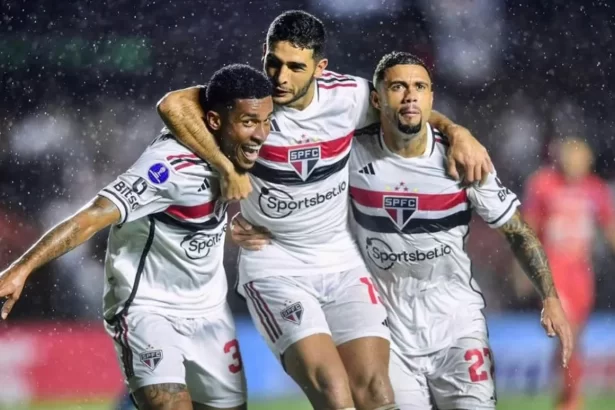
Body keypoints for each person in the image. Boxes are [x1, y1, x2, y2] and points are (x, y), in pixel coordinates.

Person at [157, 10, 493, 410]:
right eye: (273, 62)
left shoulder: (348, 96)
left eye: (296, 67)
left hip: (340, 260)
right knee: (336, 394)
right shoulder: (248, 98)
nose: (280, 77)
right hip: (275, 265)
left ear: (321, 67)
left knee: (378, 394)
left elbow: (407, 108)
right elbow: (173, 104)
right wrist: (227, 167)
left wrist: (458, 132)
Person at [231, 51, 575, 409]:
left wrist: (550, 297)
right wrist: (252, 221)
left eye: (419, 87)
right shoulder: (350, 153)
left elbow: (517, 231)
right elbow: (299, 190)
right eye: (398, 87)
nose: (410, 95)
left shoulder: (463, 160)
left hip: (456, 323)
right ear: (377, 99)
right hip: (388, 329)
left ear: (431, 98)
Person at [0, 64, 274, 410]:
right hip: (149, 308)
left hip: (209, 312)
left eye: (267, 121)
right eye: (249, 122)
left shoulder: (242, 147)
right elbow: (92, 216)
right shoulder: (170, 166)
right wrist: (22, 269)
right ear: (216, 121)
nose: (262, 133)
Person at [520, 138, 615, 410]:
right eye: (571, 158)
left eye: (581, 159)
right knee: (567, 332)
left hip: (581, 274)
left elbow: (609, 228)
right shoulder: (543, 185)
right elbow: (528, 230)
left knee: (575, 338)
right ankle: (572, 400)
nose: (575, 164)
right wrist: (524, 270)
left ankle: (565, 393)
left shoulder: (595, 189)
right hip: (553, 272)